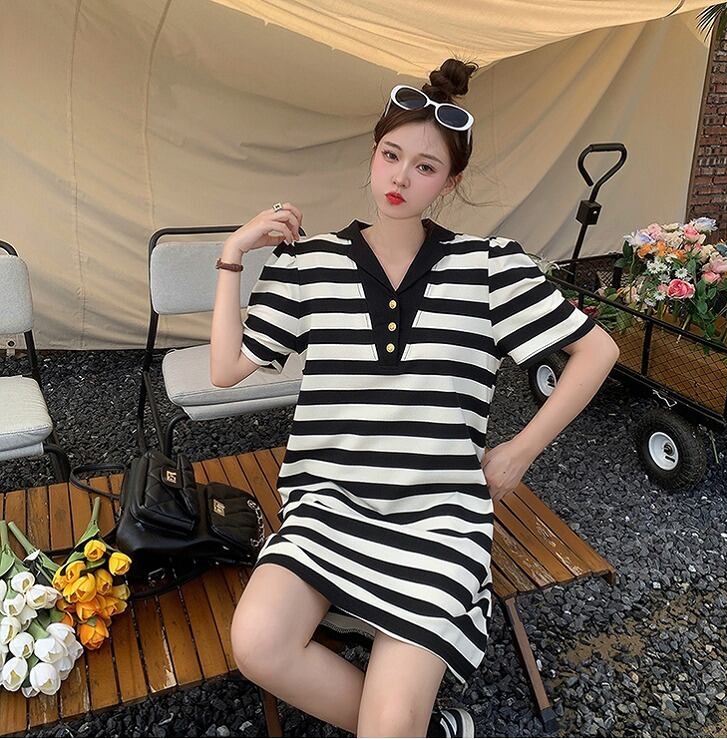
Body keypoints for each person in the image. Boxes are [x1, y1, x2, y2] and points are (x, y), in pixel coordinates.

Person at [210, 58, 620, 738]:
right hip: (328, 506)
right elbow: (225, 368)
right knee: (257, 645)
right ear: (373, 156)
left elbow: (597, 350)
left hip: (439, 518)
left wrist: (519, 450)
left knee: (389, 722)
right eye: (391, 156)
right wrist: (233, 253)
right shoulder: (308, 263)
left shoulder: (489, 267)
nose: (400, 178)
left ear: (450, 182)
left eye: (425, 167)